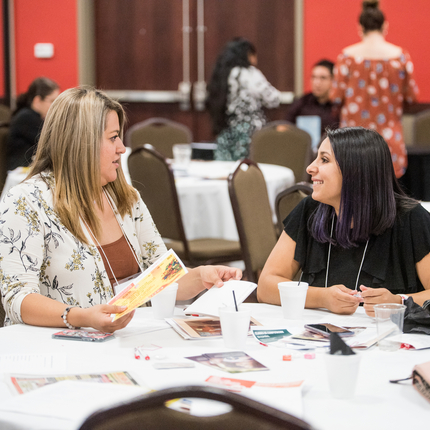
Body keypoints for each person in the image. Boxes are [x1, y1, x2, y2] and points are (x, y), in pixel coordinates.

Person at [0, 87, 242, 332]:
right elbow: (17, 299)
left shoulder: (125, 198)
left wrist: (202, 276)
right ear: (81, 142)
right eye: (113, 137)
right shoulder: (27, 201)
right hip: (56, 351)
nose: (122, 148)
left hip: (126, 345)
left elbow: (161, 276)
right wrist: (82, 317)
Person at [257, 127, 430, 317]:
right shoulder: (310, 210)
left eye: (324, 160)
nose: (310, 168)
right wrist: (322, 297)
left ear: (354, 170)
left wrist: (399, 301)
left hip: (389, 339)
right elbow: (265, 286)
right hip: (318, 338)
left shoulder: (412, 219)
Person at [330, 0, 419, 178]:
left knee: (353, 190)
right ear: (385, 26)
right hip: (389, 139)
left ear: (360, 27)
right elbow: (412, 97)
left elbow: (335, 97)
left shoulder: (346, 57)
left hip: (353, 140)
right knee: (388, 193)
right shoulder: (401, 57)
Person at [206, 37, 280, 161]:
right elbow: (273, 99)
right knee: (246, 172)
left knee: (225, 171)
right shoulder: (249, 73)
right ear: (248, 55)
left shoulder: (221, 73)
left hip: (225, 131)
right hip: (249, 132)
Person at [6, 77, 60, 171]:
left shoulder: (34, 116)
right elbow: (51, 144)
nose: (55, 105)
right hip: (22, 172)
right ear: (37, 100)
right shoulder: (26, 118)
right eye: (52, 101)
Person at [286, 59, 339, 135]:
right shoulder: (302, 102)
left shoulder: (339, 106)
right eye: (314, 77)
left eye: (323, 78)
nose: (317, 83)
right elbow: (286, 126)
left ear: (333, 80)